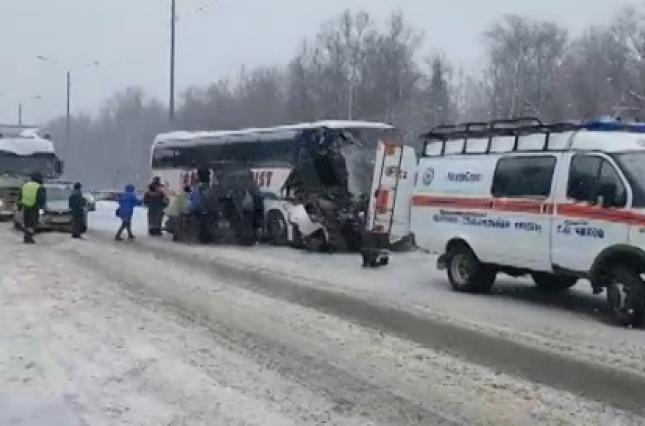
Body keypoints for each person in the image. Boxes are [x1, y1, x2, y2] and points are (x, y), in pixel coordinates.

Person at [18, 172, 46, 244]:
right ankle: (29, 237)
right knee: (33, 224)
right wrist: (41, 213)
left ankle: (26, 237)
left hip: (25, 207)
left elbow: (20, 197)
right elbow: (41, 202)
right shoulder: (40, 187)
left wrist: (19, 207)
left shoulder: (25, 185)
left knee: (27, 223)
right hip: (34, 209)